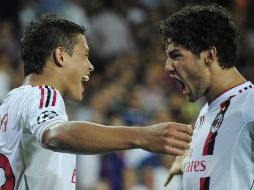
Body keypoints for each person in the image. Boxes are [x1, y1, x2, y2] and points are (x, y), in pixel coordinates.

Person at [0, 14, 193, 190]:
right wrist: (142, 136)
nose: (90, 66)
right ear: (60, 56)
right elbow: (54, 134)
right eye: (84, 55)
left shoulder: (9, 103)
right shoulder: (43, 94)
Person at [160, 3, 254, 190]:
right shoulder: (208, 111)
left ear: (209, 55)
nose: (168, 66)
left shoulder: (249, 103)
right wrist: (186, 161)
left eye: (176, 55)